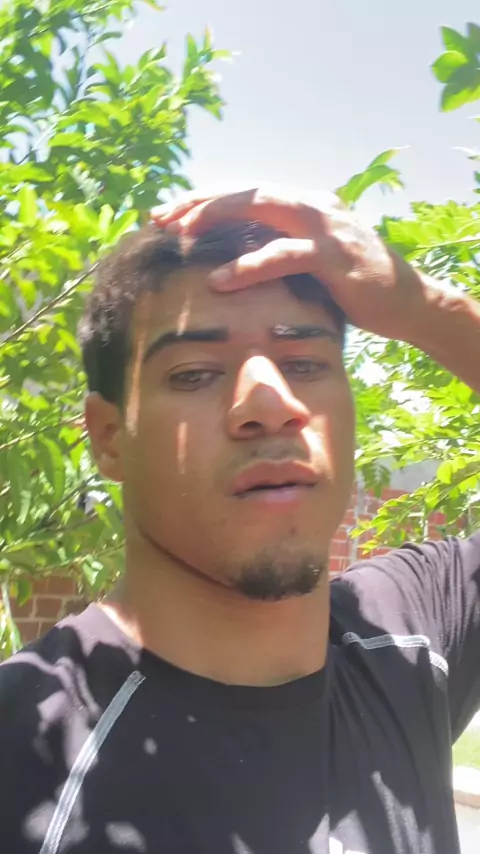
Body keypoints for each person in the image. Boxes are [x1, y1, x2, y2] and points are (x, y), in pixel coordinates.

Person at [1, 187, 479, 854]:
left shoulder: (411, 631)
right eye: (194, 373)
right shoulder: (23, 753)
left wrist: (425, 307)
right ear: (109, 438)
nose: (269, 404)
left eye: (306, 363)